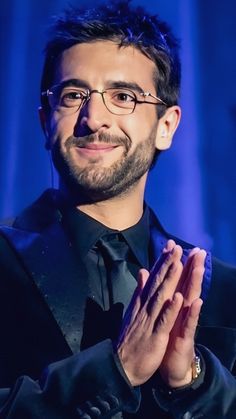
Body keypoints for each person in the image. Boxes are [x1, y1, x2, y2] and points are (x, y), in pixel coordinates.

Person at [0, 1, 235, 418]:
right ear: (44, 121)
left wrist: (193, 380)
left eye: (123, 96)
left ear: (166, 126)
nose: (94, 117)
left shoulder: (221, 289)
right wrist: (115, 370)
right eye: (74, 95)